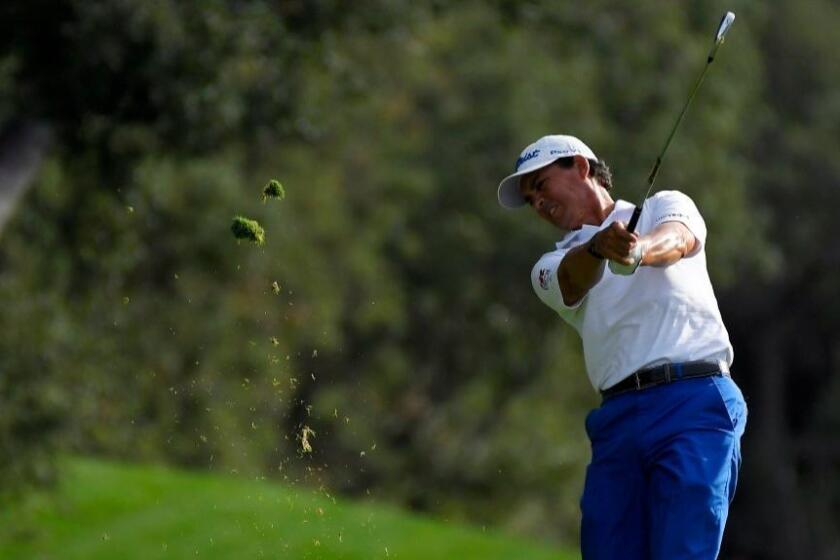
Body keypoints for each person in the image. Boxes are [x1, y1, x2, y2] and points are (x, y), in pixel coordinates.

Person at [496, 134, 747, 559]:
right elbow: (575, 279)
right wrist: (599, 247)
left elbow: (678, 239)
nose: (538, 203)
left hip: (695, 403)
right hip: (618, 421)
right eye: (530, 200)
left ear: (579, 166)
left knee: (683, 550)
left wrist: (637, 250)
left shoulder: (663, 205)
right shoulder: (551, 265)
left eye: (540, 185)